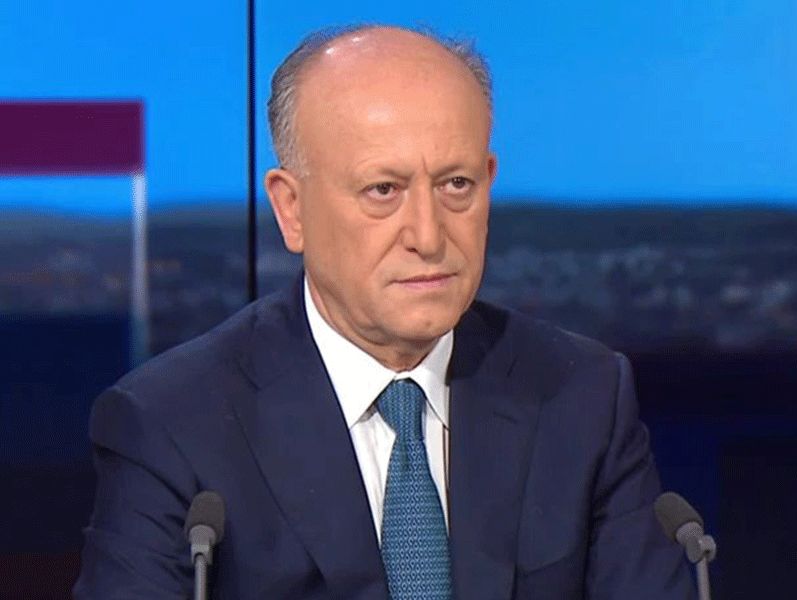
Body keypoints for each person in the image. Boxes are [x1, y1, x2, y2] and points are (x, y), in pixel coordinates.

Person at [74, 25, 695, 599]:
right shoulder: (173, 425)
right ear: (291, 209)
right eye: (383, 190)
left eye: (456, 185)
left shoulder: (581, 395)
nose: (428, 235)